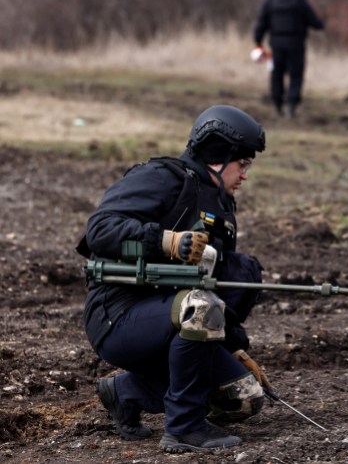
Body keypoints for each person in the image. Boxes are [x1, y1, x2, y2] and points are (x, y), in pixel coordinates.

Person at [77, 105, 268, 452]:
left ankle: (125, 392)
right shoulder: (161, 177)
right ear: (218, 155)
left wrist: (235, 346)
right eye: (243, 164)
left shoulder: (221, 208)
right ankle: (183, 428)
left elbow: (216, 283)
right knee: (199, 307)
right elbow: (98, 230)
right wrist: (167, 241)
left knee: (242, 397)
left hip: (172, 316)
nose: (245, 175)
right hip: (117, 315)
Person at [253, 0, 324, 119]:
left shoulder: (271, 0)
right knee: (296, 75)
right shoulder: (299, 1)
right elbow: (314, 22)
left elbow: (261, 22)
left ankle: (278, 104)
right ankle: (291, 104)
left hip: (276, 45)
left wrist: (258, 41)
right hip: (296, 45)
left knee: (276, 74)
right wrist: (322, 23)